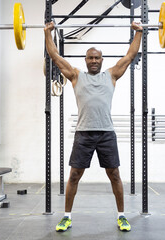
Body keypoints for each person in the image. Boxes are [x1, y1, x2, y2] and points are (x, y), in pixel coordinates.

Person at [44, 21, 143, 232]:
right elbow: (55, 57)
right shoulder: (76, 75)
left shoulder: (112, 75)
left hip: (106, 133)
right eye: (90, 58)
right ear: (86, 60)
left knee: (114, 174)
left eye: (97, 58)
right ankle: (67, 217)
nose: (94, 61)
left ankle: (121, 216)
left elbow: (129, 56)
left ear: (102, 60)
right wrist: (47, 33)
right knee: (74, 176)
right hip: (84, 134)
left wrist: (139, 32)